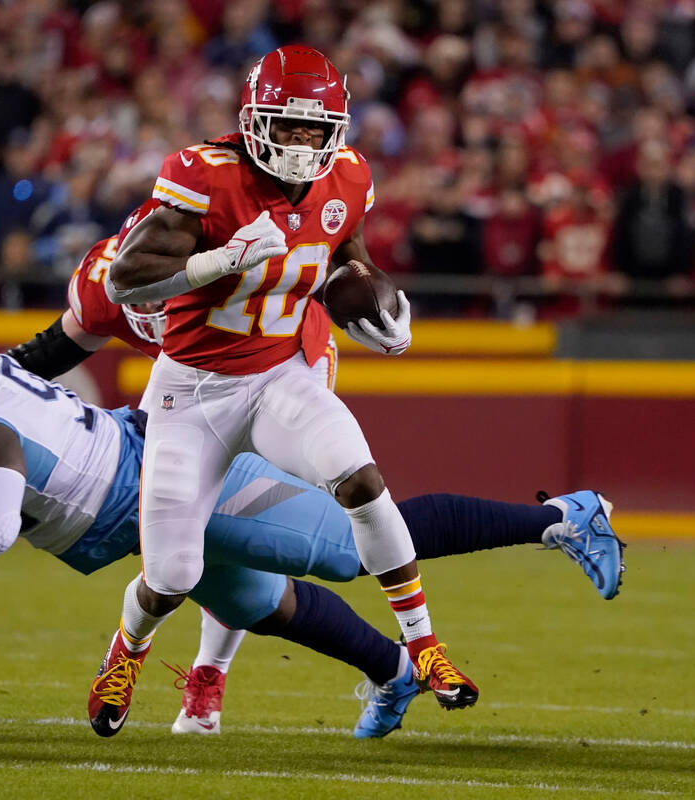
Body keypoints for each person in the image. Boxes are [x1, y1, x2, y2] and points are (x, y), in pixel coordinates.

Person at [0, 294, 625, 740]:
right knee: (259, 603)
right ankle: (394, 673)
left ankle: (562, 517)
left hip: (163, 475)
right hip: (133, 497)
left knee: (348, 546)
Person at [98, 45, 475, 734]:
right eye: (287, 124)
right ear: (252, 121)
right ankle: (128, 649)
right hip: (192, 391)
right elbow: (125, 278)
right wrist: (219, 259)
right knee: (173, 575)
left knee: (360, 479)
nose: (301, 141)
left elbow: (346, 260)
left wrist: (381, 308)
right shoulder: (206, 174)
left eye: (314, 127)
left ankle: (424, 647)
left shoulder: (348, 175)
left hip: (278, 375)